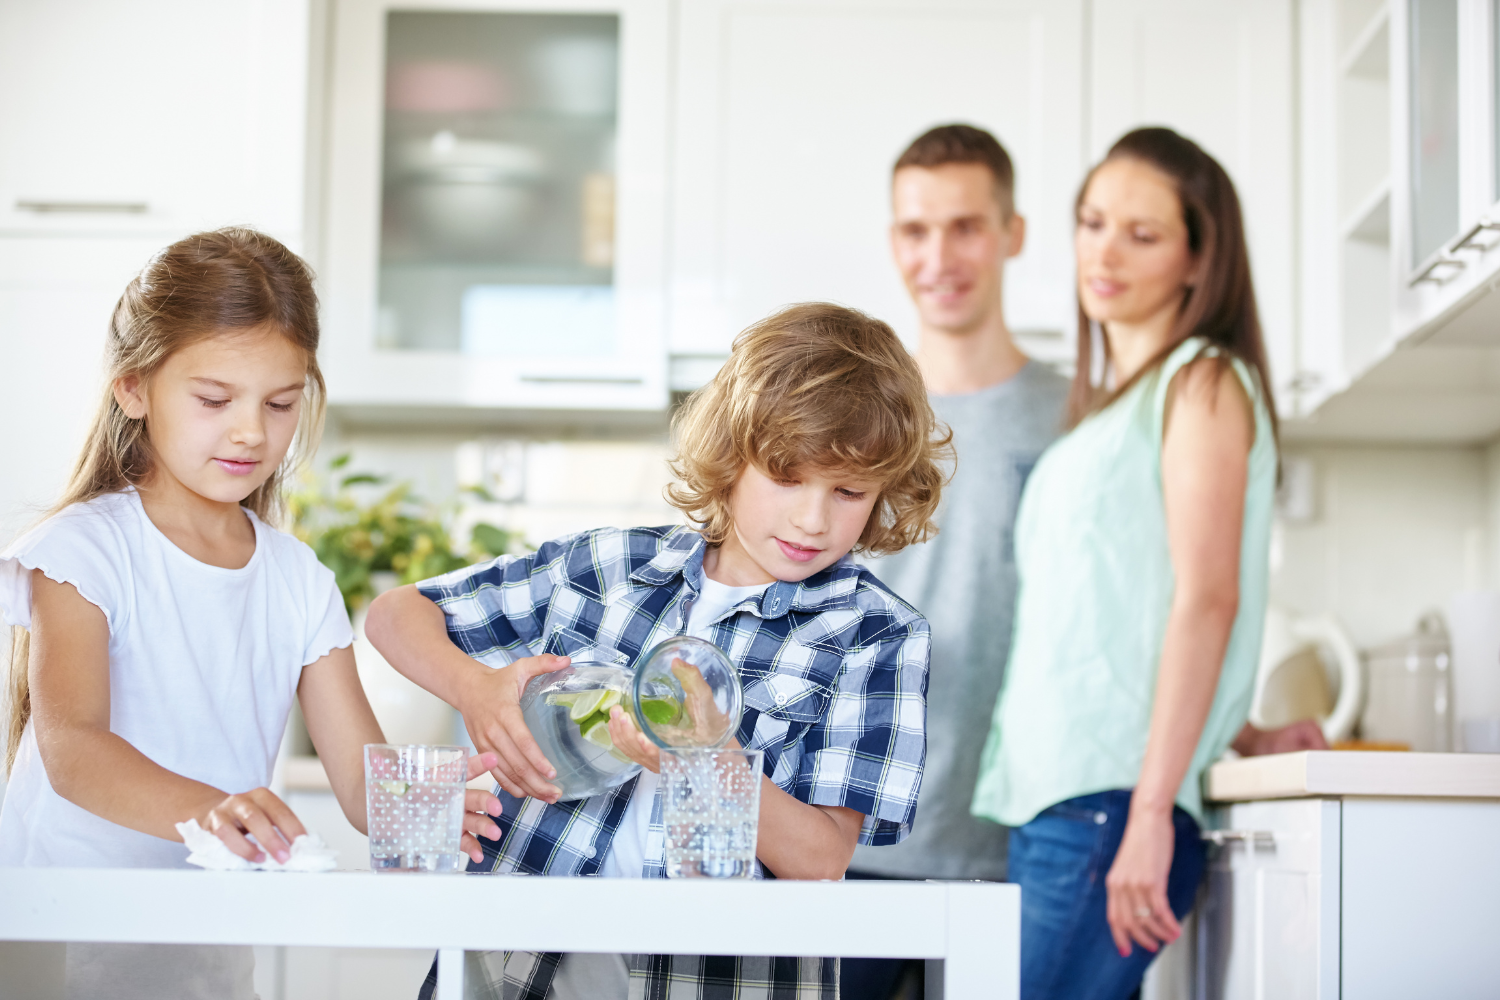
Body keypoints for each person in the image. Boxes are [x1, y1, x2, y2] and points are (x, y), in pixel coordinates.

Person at [366, 303, 951, 1000]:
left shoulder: (877, 635)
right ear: (732, 458)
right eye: (787, 477)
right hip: (515, 964)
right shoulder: (606, 567)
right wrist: (475, 689)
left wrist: (709, 756)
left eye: (849, 491)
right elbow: (396, 614)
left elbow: (821, 857)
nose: (812, 518)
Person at [0, 229, 502, 1000]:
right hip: (64, 938)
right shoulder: (85, 551)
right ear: (134, 388)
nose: (250, 432)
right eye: (214, 400)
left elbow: (363, 785)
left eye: (279, 404)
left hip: (204, 953)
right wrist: (215, 810)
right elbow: (74, 750)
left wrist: (429, 802)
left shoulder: (297, 580)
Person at [969, 127, 1321, 1000]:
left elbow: (1207, 599)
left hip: (1112, 806)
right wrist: (1240, 729)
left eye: (1143, 233)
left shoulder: (1201, 383)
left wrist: (1155, 809)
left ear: (1200, 261)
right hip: (1060, 800)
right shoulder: (1106, 412)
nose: (1105, 251)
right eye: (1092, 223)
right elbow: (1121, 609)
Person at [841, 123, 1071, 999]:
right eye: (915, 230)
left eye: (966, 226)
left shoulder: (1077, 415)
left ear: (1012, 234)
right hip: (850, 833)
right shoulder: (858, 410)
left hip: (1014, 845)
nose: (939, 256)